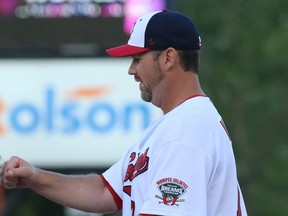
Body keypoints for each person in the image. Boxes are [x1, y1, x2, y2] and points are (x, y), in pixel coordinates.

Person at [0, 10, 247, 216]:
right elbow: (104, 192)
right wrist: (34, 177)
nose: (131, 70)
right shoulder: (171, 125)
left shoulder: (188, 128)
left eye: (138, 59)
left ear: (168, 57)